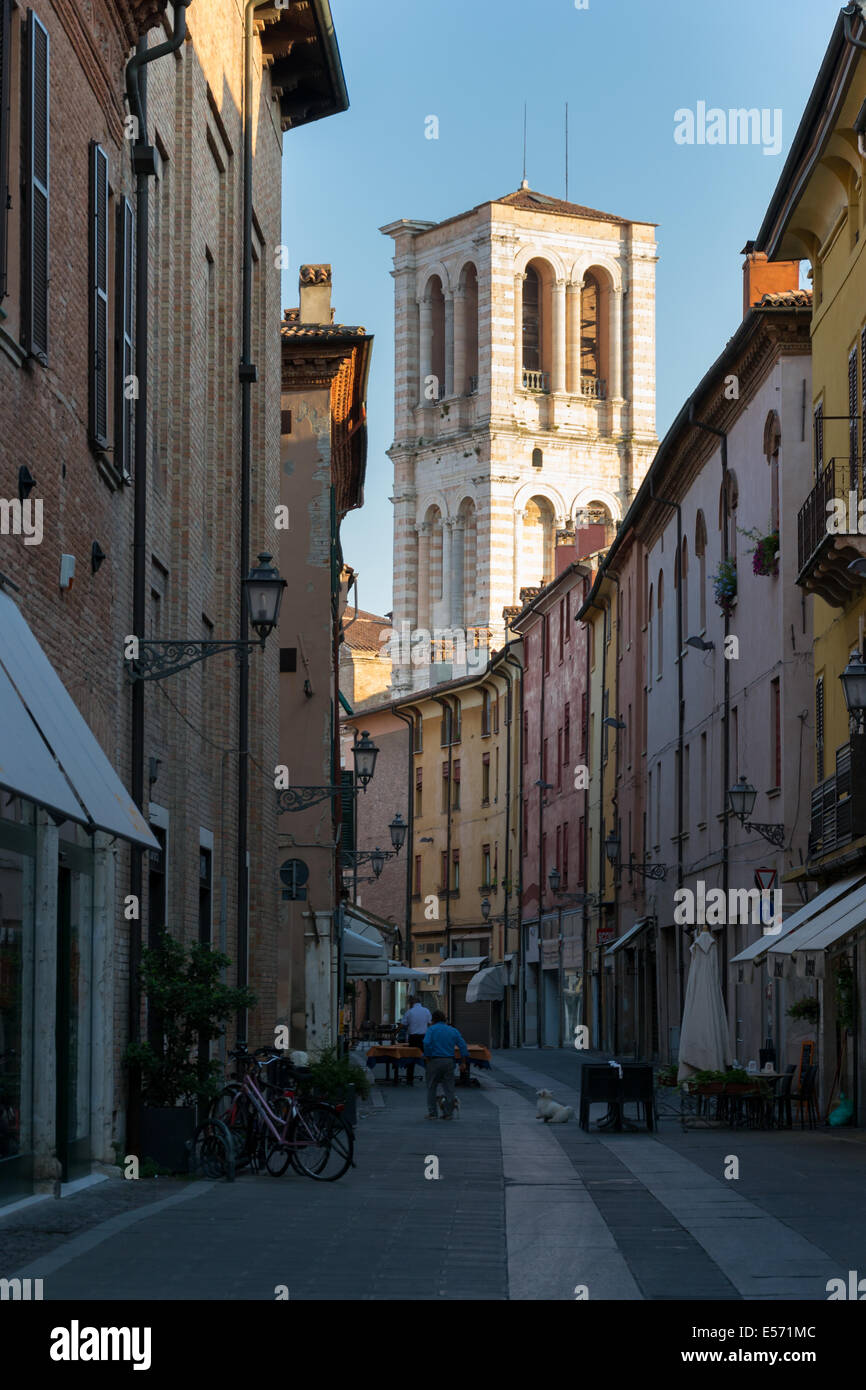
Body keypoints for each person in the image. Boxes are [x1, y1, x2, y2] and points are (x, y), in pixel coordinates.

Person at [423, 1010, 468, 1119]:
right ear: (445, 1020)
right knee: (449, 1088)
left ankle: (432, 1113)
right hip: (449, 1061)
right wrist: (463, 1062)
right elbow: (463, 1045)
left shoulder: (431, 1030)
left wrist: (428, 1056)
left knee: (431, 1086)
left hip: (434, 1060)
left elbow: (426, 1043)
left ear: (433, 1020)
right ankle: (448, 1113)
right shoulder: (453, 1030)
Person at [400, 995, 432, 1085]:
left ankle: (410, 1079)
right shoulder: (426, 1011)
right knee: (426, 1058)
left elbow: (402, 1024)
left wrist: (396, 1032)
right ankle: (429, 1078)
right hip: (424, 1037)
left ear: (412, 1003)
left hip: (413, 1038)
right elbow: (430, 1024)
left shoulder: (409, 1012)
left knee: (411, 1058)